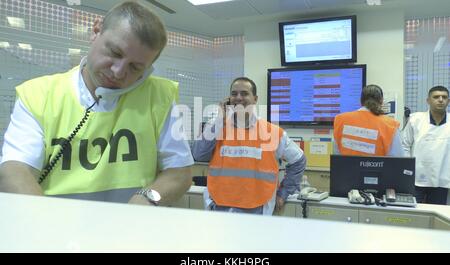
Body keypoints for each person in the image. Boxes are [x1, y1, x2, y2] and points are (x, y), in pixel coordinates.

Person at [0, 1, 194, 206]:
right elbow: (15, 170)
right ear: (96, 31)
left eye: (135, 67)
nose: (119, 72)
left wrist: (142, 204)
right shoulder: (38, 95)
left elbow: (180, 173)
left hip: (130, 230)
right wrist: (46, 226)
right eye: (115, 53)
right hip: (56, 231)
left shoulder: (160, 97)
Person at [192, 77, 306, 215]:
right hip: (219, 206)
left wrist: (283, 193)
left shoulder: (271, 132)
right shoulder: (217, 126)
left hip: (257, 208)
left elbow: (299, 160)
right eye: (234, 94)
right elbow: (199, 155)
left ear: (255, 99)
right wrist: (219, 121)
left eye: (244, 93)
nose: (238, 98)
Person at [402, 85, 450, 205]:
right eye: (436, 97)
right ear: (428, 100)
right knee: (413, 214)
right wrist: (408, 171)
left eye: (444, 97)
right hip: (416, 179)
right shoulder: (415, 120)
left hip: (442, 180)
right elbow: (404, 145)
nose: (440, 100)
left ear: (448, 101)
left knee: (436, 216)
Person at [333, 84, 404, 156]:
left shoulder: (341, 120)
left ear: (361, 101)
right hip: (377, 167)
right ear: (381, 101)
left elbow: (336, 154)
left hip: (346, 167)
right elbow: (398, 160)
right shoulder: (390, 125)